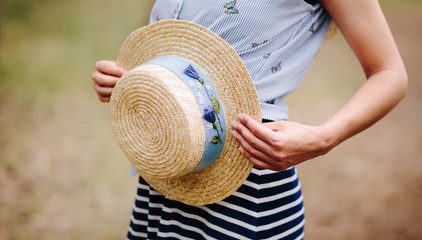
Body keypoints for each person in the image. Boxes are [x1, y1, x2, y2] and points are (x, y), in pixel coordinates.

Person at [92, 0, 407, 239]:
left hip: (246, 172)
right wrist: (135, 83)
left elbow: (390, 73)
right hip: (167, 174)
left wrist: (323, 138)